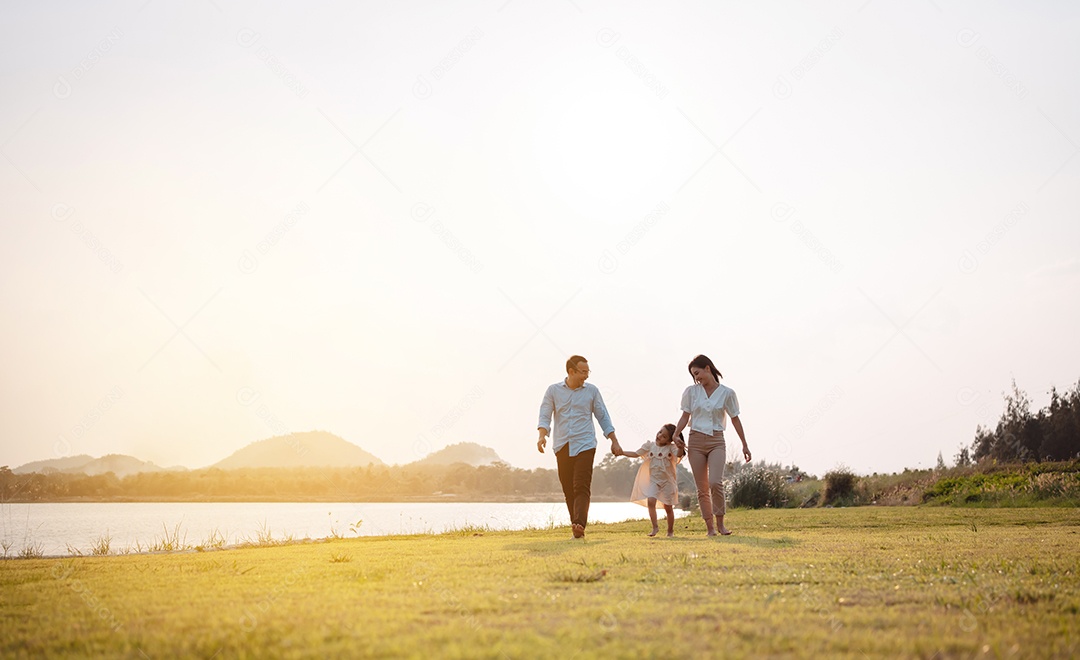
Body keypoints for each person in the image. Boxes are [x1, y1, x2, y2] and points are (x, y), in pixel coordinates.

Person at [538, 355, 623, 539]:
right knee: (568, 488)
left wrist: (614, 440)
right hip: (562, 444)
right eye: (583, 372)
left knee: (581, 485)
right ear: (571, 371)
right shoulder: (553, 391)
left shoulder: (591, 391)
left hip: (585, 444)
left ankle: (579, 524)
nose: (586, 376)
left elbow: (603, 416)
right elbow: (545, 414)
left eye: (587, 372)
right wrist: (542, 435)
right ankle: (576, 525)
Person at [672, 354, 751, 536]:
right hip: (696, 441)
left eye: (698, 373)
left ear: (708, 368)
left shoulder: (727, 393)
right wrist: (676, 434)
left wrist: (744, 444)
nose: (696, 378)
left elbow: (735, 419)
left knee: (715, 482)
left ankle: (721, 523)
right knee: (702, 488)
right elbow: (685, 416)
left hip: (716, 440)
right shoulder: (691, 392)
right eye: (693, 375)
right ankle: (710, 529)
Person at [617, 424, 684, 537]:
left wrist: (681, 447)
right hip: (654, 481)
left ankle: (670, 531)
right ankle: (655, 527)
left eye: (664, 436)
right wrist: (622, 452)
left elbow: (679, 454)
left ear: (669, 441)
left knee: (668, 507)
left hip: (668, 482)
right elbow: (636, 454)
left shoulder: (671, 448)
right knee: (651, 501)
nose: (659, 436)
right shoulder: (650, 446)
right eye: (660, 432)